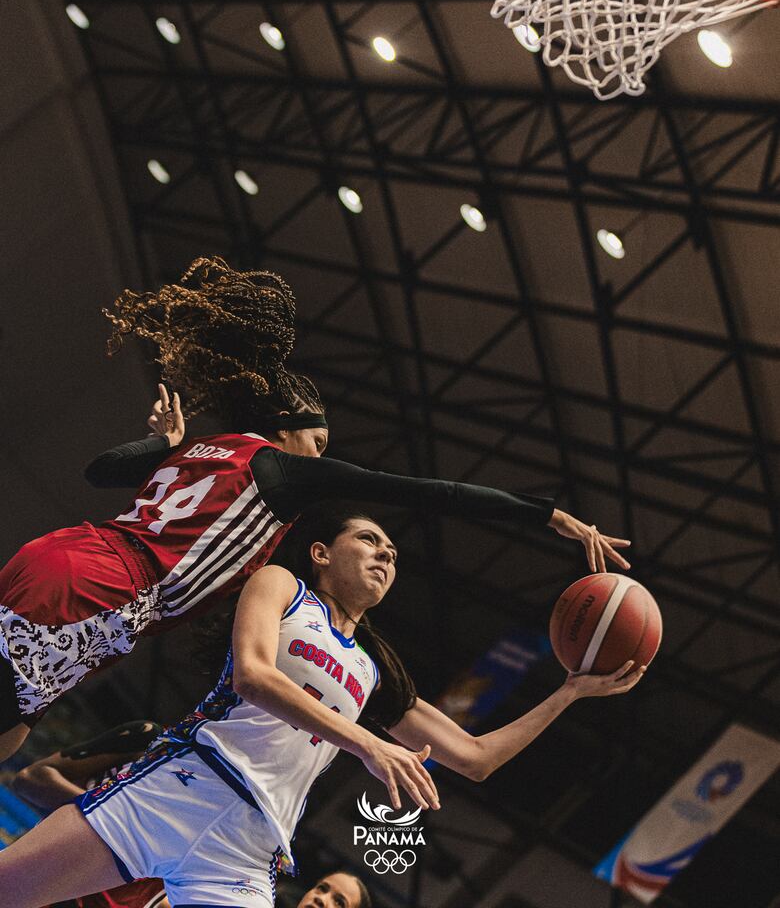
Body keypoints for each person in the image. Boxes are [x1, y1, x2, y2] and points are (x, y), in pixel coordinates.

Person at [0, 256, 629, 761]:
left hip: (67, 558)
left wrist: (160, 445)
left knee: (14, 733)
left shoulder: (203, 451)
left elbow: (98, 472)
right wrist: (544, 514)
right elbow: (430, 491)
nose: (323, 456)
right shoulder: (278, 469)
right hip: (107, 588)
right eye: (319, 444)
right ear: (288, 432)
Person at [0, 508, 645, 908]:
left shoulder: (372, 669)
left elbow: (475, 759)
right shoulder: (282, 588)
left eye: (391, 552)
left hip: (248, 852)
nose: (386, 554)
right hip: (178, 791)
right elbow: (253, 676)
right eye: (369, 540)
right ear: (321, 553)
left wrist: (570, 692)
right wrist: (368, 742)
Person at [12, 720, 168, 908]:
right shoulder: (153, 741)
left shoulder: (211, 833)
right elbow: (30, 778)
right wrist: (105, 810)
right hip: (33, 878)